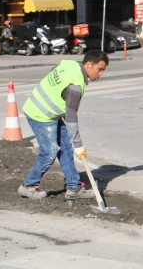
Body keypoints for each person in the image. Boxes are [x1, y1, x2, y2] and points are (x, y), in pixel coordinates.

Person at [17, 49, 109, 200]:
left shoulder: (70, 64)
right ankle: (28, 185)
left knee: (65, 147)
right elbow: (71, 116)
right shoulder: (76, 84)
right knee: (50, 151)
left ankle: (73, 187)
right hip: (40, 114)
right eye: (99, 69)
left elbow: (54, 71)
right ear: (88, 64)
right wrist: (79, 145)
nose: (101, 74)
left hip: (48, 112)